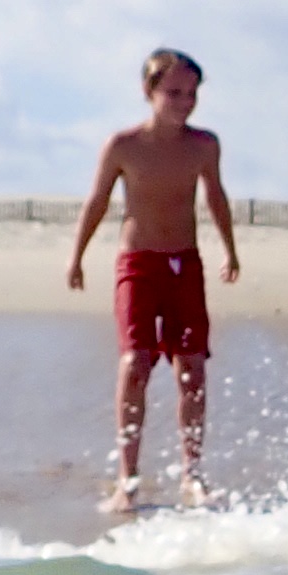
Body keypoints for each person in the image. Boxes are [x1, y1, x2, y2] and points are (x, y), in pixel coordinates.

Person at [66, 49, 242, 512]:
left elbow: (217, 198)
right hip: (138, 263)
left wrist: (229, 250)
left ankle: (193, 475)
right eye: (174, 92)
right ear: (149, 92)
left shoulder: (204, 145)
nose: (185, 102)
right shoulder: (123, 146)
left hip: (185, 263)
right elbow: (97, 201)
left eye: (192, 93)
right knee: (136, 362)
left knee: (192, 369)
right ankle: (128, 477)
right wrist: (77, 257)